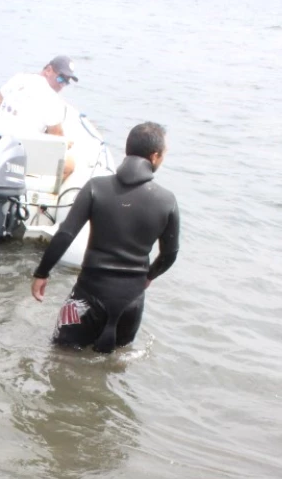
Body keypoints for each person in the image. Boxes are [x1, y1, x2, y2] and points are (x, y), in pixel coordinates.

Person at [30, 122, 180, 353]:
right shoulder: (167, 200)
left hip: (86, 297)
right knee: (115, 363)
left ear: (127, 150)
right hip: (131, 303)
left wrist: (42, 273)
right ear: (154, 156)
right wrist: (150, 274)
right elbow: (170, 254)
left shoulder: (95, 188)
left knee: (61, 358)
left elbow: (65, 234)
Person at [0, 55, 79, 179]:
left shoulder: (19, 78)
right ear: (48, 70)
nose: (62, 85)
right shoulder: (53, 100)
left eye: (66, 82)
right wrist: (67, 143)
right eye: (61, 78)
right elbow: (57, 138)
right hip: (22, 155)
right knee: (69, 165)